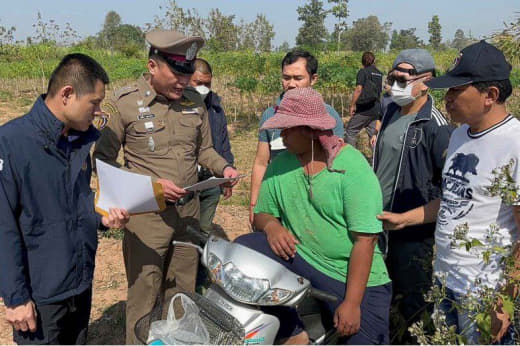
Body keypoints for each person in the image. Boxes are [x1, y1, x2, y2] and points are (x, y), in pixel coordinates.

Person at [93, 30, 238, 344]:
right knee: (144, 295)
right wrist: (151, 186)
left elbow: (205, 151)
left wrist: (223, 167)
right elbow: (103, 160)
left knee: (182, 294)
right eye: (176, 74)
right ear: (152, 66)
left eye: (187, 75)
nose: (183, 82)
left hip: (188, 215)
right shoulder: (126, 103)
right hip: (147, 218)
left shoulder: (195, 102)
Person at [381, 41, 519, 344]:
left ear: (490, 96)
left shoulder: (514, 145)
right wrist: (405, 219)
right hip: (445, 281)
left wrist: (503, 301)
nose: (448, 99)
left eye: (457, 90)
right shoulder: (459, 135)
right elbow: (454, 200)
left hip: (483, 290)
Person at [237, 87, 391, 344]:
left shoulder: (352, 168)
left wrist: (352, 303)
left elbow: (366, 241)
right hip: (302, 257)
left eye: (287, 130)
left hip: (347, 273)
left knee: (360, 334)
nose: (281, 136)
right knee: (246, 247)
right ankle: (293, 331)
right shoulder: (281, 164)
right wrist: (272, 226)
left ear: (310, 131)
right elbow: (262, 213)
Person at [0, 53, 130, 344]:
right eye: (94, 103)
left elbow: (75, 203)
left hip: (79, 282)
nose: (97, 112)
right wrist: (16, 297)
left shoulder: (77, 141)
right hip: (40, 294)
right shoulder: (11, 144)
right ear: (67, 94)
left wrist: (102, 217)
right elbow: (3, 227)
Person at [373, 49, 453, 343]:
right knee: (384, 289)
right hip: (381, 221)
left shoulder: (436, 126)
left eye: (403, 79)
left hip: (413, 230)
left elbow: (448, 188)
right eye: (392, 78)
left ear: (426, 82)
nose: (395, 86)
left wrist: (410, 218)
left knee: (413, 300)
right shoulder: (391, 109)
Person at [249, 49, 344, 224]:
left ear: (313, 79)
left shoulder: (329, 117)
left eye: (298, 78)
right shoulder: (270, 116)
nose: (291, 84)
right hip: (277, 201)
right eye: (286, 78)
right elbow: (261, 162)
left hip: (313, 204)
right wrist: (255, 203)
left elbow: (337, 161)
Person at [189, 58, 234, 239]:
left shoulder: (216, 108)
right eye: (198, 83)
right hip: (187, 180)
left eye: (207, 84)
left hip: (211, 178)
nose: (203, 88)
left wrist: (227, 169)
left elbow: (223, 143)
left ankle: (201, 267)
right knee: (185, 232)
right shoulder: (177, 108)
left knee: (204, 231)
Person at [345, 51, 383, 149]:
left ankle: (351, 159)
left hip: (364, 109)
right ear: (374, 61)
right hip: (376, 109)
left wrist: (353, 105)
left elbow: (358, 89)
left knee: (350, 131)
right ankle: (377, 160)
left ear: (362, 61)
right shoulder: (379, 73)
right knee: (373, 135)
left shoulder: (363, 72)